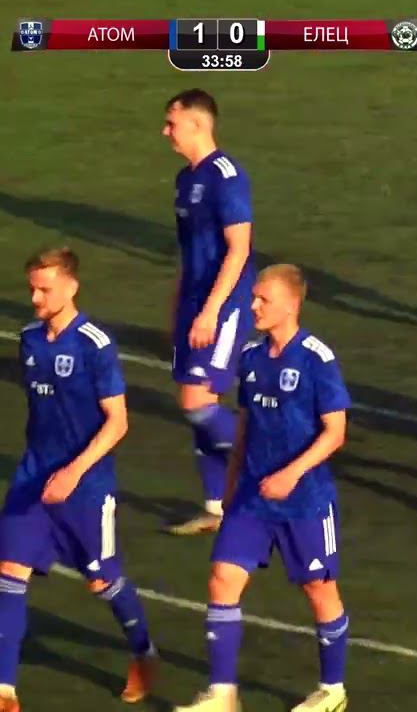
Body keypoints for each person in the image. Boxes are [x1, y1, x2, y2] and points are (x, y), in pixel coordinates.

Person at [176, 265, 351, 712]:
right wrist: (231, 485)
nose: (253, 306)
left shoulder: (316, 358)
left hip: (305, 500)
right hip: (252, 496)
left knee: (318, 589)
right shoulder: (252, 356)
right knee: (223, 578)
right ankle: (223, 694)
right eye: (253, 297)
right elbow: (245, 427)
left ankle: (333, 690)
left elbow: (335, 433)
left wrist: (292, 474)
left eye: (262, 300)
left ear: (291, 305)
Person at [0, 247, 156, 711]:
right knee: (9, 572)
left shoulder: (94, 345)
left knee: (102, 580)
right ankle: (5, 689)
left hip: (85, 484)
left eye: (44, 289)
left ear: (71, 287)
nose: (35, 298)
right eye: (32, 288)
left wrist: (73, 471)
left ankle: (144, 653)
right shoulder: (29, 338)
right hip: (34, 477)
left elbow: (118, 422)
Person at [163, 88, 259, 534]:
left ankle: (269, 455)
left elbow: (239, 249)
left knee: (197, 404)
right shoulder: (185, 180)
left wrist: (211, 311)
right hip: (193, 303)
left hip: (224, 304)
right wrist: (178, 308)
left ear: (198, 124)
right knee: (199, 406)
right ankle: (217, 508)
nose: (165, 131)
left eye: (172, 123)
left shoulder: (227, 176)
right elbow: (189, 254)